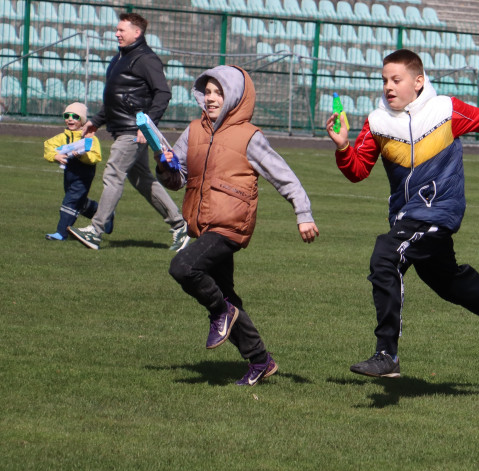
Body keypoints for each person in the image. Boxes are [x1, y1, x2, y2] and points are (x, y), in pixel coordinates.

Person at [327, 49, 479, 378]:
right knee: (449, 283)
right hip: (406, 218)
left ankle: (387, 354)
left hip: (438, 212)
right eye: (384, 81)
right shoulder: (377, 122)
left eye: (396, 80)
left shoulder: (445, 110)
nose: (389, 87)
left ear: (419, 81)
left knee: (385, 257)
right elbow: (357, 171)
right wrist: (342, 146)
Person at [156, 66, 318, 386]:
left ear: (235, 97)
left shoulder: (249, 136)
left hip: (229, 224)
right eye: (208, 92)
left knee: (183, 267)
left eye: (219, 92)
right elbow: (178, 180)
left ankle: (221, 313)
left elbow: (283, 176)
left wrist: (304, 213)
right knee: (226, 293)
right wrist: (164, 166)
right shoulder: (194, 131)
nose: (212, 98)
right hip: (202, 224)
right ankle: (260, 360)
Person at [67, 12, 189, 251]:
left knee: (113, 174)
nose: (116, 33)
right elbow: (116, 98)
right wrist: (96, 121)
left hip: (134, 130)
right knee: (143, 180)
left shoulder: (146, 59)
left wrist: (148, 125)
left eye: (121, 30)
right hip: (123, 128)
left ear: (137, 32)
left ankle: (96, 230)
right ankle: (179, 225)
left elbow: (163, 93)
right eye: (117, 29)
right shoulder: (119, 58)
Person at [42, 102, 105, 240]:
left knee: (70, 201)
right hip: (69, 174)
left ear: (82, 120)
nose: (70, 119)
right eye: (67, 115)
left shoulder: (89, 138)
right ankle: (104, 215)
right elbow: (48, 146)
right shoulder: (62, 137)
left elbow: (96, 157)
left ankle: (61, 233)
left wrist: (83, 156)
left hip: (84, 175)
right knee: (79, 203)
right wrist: (55, 156)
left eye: (75, 116)